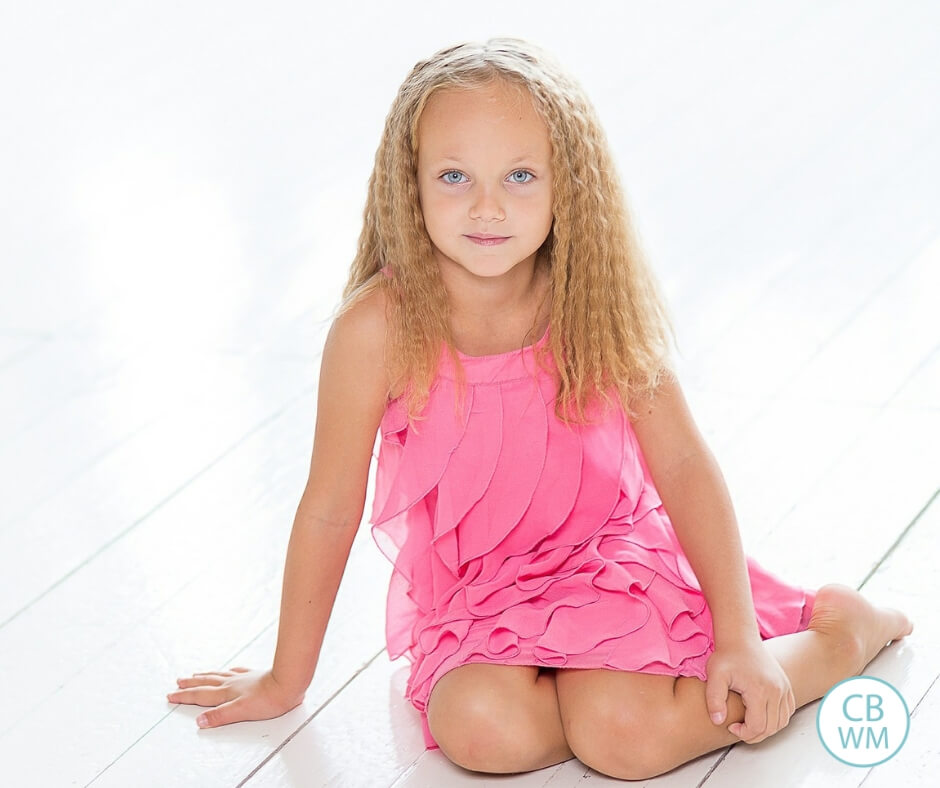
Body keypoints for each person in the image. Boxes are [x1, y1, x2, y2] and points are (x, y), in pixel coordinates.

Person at [165, 38, 914, 781]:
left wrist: (738, 634)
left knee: (624, 738)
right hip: (482, 597)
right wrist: (284, 679)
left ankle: (837, 641)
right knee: (479, 731)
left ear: (568, 186)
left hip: (609, 559)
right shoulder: (376, 330)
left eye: (520, 176)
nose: (487, 206)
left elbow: (683, 465)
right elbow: (329, 508)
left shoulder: (591, 305)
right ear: (410, 182)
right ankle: (599, 684)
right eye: (455, 176)